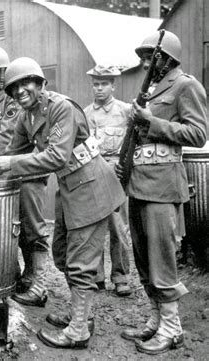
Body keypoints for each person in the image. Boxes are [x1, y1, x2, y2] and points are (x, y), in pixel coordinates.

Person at [0, 57, 126, 349]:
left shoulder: (60, 107)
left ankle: (78, 330)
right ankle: (82, 315)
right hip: (69, 187)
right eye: (14, 87)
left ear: (41, 83)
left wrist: (12, 163)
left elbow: (57, 156)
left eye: (26, 83)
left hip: (91, 186)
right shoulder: (26, 115)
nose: (20, 91)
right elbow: (10, 150)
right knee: (62, 253)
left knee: (80, 262)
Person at [117, 30, 207, 355]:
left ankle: (172, 328)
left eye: (149, 56)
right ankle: (156, 319)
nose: (144, 63)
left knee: (162, 260)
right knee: (142, 258)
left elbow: (198, 133)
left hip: (164, 187)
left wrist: (152, 121)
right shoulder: (152, 90)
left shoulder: (186, 85)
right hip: (138, 184)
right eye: (142, 56)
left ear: (167, 58)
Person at [0, 46, 50, 307]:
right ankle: (27, 276)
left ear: (1, 70)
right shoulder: (5, 98)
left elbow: (5, 137)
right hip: (15, 172)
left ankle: (39, 284)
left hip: (28, 173)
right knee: (18, 227)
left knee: (33, 229)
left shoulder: (13, 98)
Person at [84, 65, 132, 297]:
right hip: (93, 174)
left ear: (113, 85)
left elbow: (136, 143)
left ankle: (121, 277)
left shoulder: (126, 111)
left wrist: (128, 168)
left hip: (116, 174)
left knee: (118, 227)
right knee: (94, 228)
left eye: (104, 84)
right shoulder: (85, 114)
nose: (99, 88)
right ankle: (96, 277)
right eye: (96, 84)